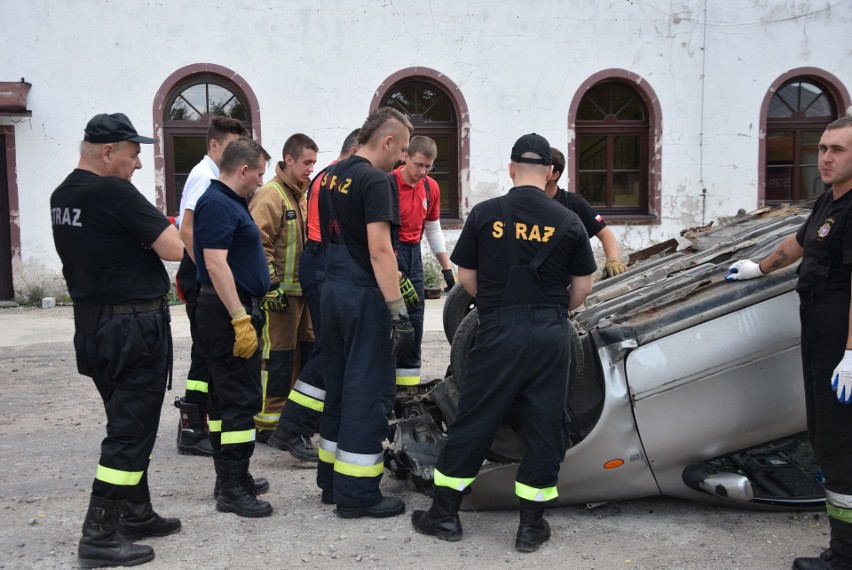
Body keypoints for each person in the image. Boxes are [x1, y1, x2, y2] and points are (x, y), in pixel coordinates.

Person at [411, 133, 596, 552]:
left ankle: (444, 516)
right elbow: (582, 288)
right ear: (550, 172)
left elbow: (466, 279)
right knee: (545, 424)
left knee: (476, 419)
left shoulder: (485, 213)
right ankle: (531, 527)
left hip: (497, 329)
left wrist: (499, 306)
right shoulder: (569, 220)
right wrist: (546, 310)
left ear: (511, 169)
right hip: (551, 334)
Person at [51, 113, 184, 567]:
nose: (139, 165)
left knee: (127, 422)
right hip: (132, 329)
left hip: (92, 327)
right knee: (130, 432)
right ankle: (99, 533)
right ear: (108, 152)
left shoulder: (62, 195)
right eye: (133, 154)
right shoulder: (112, 190)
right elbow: (174, 248)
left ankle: (136, 511)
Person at [726, 116, 852, 570]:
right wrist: (760, 267)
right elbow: (799, 241)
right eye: (822, 148)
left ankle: (845, 556)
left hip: (841, 342)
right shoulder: (829, 201)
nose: (826, 157)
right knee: (824, 437)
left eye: (838, 149)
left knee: (841, 445)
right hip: (820, 336)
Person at [317, 108, 415, 518]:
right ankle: (357, 494)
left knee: (338, 386)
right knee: (366, 391)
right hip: (362, 295)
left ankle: (331, 482)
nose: (403, 160)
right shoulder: (377, 181)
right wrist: (398, 309)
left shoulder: (331, 175)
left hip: (332, 291)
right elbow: (380, 249)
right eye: (404, 149)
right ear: (388, 141)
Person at [266, 128, 361, 462]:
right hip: (322, 266)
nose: (309, 167)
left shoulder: (320, 181)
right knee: (323, 349)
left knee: (322, 348)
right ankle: (290, 424)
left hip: (320, 267)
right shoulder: (337, 180)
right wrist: (270, 283)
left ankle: (305, 420)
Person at [193, 137, 274, 518]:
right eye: (258, 174)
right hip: (228, 313)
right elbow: (215, 264)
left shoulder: (227, 202)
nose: (260, 181)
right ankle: (232, 487)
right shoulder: (218, 204)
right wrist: (240, 317)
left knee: (229, 401)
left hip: (233, 309)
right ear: (243, 170)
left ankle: (231, 477)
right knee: (240, 401)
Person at [174, 116, 248, 457]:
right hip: (203, 277)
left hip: (204, 275)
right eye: (230, 146)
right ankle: (192, 427)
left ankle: (197, 424)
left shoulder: (210, 174)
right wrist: (208, 272)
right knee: (206, 355)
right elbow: (187, 229)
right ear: (214, 145)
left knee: (206, 354)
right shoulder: (206, 176)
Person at [249, 133, 318, 444]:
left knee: (303, 354)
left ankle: (291, 418)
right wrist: (271, 285)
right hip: (279, 295)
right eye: (306, 162)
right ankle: (268, 422)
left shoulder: (299, 195)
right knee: (277, 357)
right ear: (288, 160)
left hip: (300, 293)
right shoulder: (271, 195)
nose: (310, 169)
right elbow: (255, 244)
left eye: (314, 163)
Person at [392, 135, 455, 387]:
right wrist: (393, 271)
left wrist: (447, 269)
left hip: (413, 254)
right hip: (389, 252)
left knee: (416, 317)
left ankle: (407, 386)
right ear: (405, 156)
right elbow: (377, 233)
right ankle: (385, 383)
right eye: (418, 164)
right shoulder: (387, 183)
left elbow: (432, 228)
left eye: (429, 166)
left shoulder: (430, 187)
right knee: (392, 317)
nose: (423, 171)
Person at [546, 147, 627, 278]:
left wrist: (613, 260)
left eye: (538, 169)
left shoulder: (573, 203)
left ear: (554, 174)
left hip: (567, 282)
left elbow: (605, 234)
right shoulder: (522, 202)